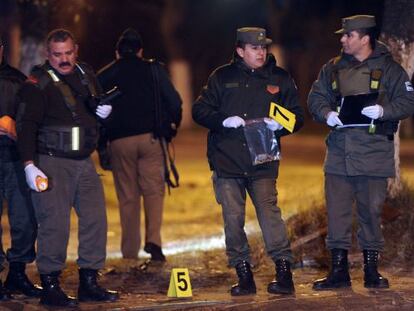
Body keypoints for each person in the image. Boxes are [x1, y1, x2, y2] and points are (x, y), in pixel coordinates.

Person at [192, 27, 304, 296]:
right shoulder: (222, 77)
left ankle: (284, 273)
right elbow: (199, 109)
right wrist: (222, 121)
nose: (261, 52)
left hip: (263, 160)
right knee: (233, 219)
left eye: (264, 47)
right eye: (255, 48)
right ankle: (243, 275)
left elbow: (297, 116)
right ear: (241, 51)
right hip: (227, 161)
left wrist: (282, 125)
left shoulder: (280, 78)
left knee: (270, 216)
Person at [308, 15, 414, 290]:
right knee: (336, 215)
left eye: (348, 35)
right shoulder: (331, 68)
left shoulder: (390, 70)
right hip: (339, 154)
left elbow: (407, 101)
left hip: (373, 154)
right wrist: (326, 113)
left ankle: (371, 272)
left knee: (370, 213)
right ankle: (339, 273)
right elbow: (315, 97)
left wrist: (384, 111)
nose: (342, 39)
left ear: (365, 38)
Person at [16, 29, 119, 307]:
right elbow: (25, 127)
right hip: (51, 161)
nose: (64, 59)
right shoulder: (37, 84)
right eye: (58, 54)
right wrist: (29, 165)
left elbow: (92, 104)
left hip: (84, 161)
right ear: (47, 55)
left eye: (69, 53)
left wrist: (103, 113)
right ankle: (50, 286)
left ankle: (89, 282)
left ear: (77, 50)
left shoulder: (85, 73)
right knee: (54, 224)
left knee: (96, 220)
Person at [97, 28, 182, 263]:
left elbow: (93, 108)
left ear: (117, 53)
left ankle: (129, 252)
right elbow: (174, 101)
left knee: (128, 197)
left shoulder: (105, 75)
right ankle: (154, 241)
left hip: (119, 142)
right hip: (150, 139)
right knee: (154, 191)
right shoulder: (154, 70)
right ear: (140, 51)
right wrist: (174, 125)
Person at [0, 36, 42, 300]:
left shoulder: (18, 80)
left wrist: (17, 127)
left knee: (25, 219)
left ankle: (17, 273)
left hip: (15, 159)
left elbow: (30, 116)